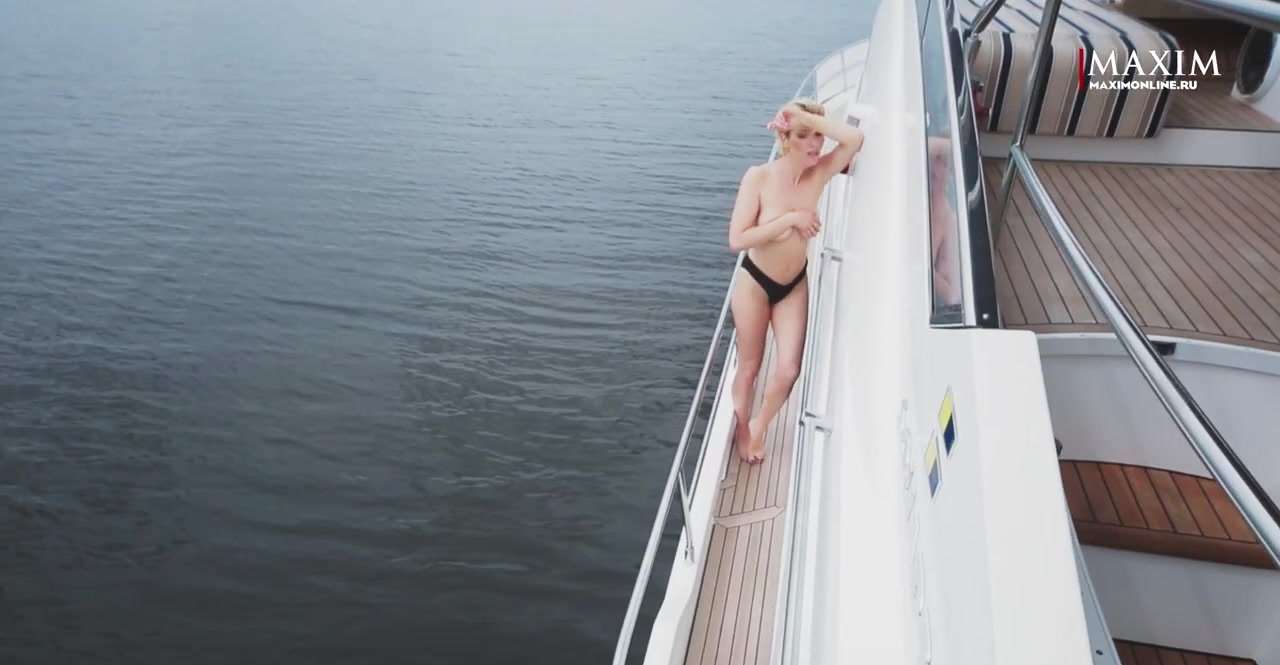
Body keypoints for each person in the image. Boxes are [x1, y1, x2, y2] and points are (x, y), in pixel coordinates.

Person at [726, 98, 865, 465]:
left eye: (818, 135)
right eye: (804, 136)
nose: (815, 144)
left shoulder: (819, 173)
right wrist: (790, 220)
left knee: (789, 370)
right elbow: (737, 239)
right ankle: (741, 428)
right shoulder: (759, 177)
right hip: (755, 283)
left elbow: (854, 140)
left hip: (793, 285)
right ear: (785, 139)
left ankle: (759, 426)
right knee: (750, 367)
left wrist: (804, 118)